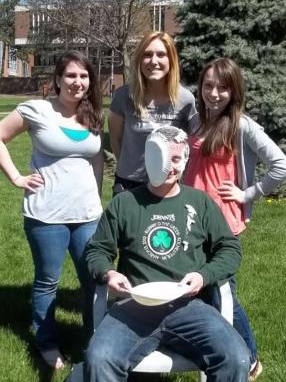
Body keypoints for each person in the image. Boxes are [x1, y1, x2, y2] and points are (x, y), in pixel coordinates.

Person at [84, 125, 250, 382]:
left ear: (185, 160)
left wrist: (203, 276)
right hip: (134, 306)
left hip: (188, 305)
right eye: (163, 158)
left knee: (235, 356)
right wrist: (108, 273)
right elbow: (97, 250)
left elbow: (230, 249)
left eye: (176, 159)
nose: (170, 167)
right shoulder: (125, 203)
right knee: (99, 358)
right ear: (149, 157)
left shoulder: (200, 202)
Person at [183, 57, 286, 380]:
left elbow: (280, 164)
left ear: (234, 90)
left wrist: (247, 194)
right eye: (209, 85)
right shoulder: (196, 119)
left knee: (220, 290)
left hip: (221, 223)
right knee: (200, 290)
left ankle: (251, 359)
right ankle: (211, 348)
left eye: (223, 87)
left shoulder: (241, 125)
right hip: (191, 220)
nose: (214, 93)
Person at [0, 51, 104, 369]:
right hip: (46, 215)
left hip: (88, 215)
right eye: (71, 75)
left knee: (93, 280)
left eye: (83, 76)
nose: (77, 82)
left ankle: (96, 342)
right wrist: (16, 177)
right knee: (48, 280)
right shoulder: (37, 109)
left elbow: (97, 160)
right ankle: (47, 344)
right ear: (58, 79)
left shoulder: (91, 114)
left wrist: (97, 198)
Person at [108, 31, 196, 194]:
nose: (153, 61)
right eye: (147, 55)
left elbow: (190, 143)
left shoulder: (185, 99)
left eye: (161, 54)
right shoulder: (124, 96)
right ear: (140, 60)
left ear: (171, 60)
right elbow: (115, 139)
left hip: (168, 185)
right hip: (129, 184)